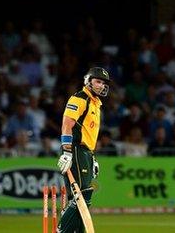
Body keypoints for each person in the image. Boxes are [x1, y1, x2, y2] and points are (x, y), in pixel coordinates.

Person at [56, 67, 110, 232]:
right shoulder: (80, 98)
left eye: (104, 83)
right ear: (88, 81)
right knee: (83, 195)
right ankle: (62, 229)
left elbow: (88, 134)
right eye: (98, 81)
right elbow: (67, 124)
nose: (101, 85)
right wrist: (66, 152)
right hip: (75, 150)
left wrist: (92, 157)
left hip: (85, 152)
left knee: (78, 198)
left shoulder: (96, 103)